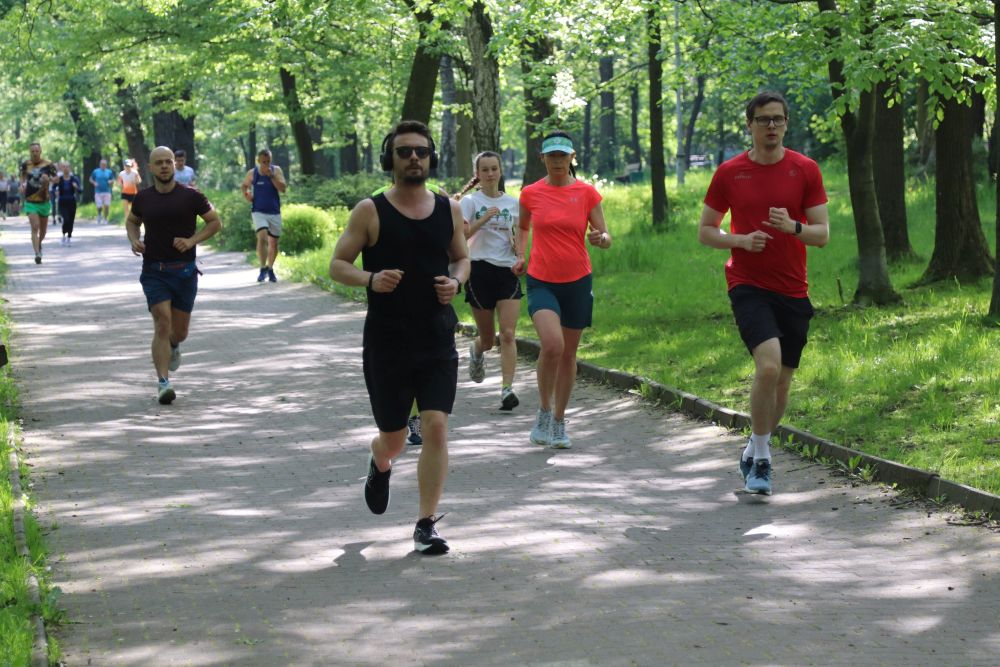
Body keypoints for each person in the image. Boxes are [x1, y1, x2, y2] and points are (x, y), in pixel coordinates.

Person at [329, 120, 469, 555]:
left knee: (436, 427)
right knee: (393, 437)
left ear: (431, 158)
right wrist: (370, 278)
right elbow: (337, 264)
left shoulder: (449, 209)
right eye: (405, 151)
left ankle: (425, 524)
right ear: (390, 158)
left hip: (436, 339)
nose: (414, 158)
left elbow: (462, 259)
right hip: (388, 342)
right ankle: (380, 459)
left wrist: (457, 283)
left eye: (422, 152)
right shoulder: (370, 211)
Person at [697, 90, 829, 496]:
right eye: (763, 119)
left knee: (783, 382)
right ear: (750, 125)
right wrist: (738, 241)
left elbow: (822, 235)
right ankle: (762, 459)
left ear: (786, 124)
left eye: (778, 119)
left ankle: (756, 446)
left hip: (793, 288)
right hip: (748, 284)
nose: (771, 126)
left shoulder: (805, 169)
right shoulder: (730, 173)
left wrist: (792, 227)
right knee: (768, 368)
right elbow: (706, 231)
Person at [515, 131, 612, 449]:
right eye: (551, 155)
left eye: (563, 155)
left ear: (572, 157)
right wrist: (519, 254)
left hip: (577, 280)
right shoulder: (530, 193)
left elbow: (604, 233)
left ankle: (559, 419)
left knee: (569, 354)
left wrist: (602, 239)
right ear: (542, 158)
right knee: (552, 345)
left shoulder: (586, 193)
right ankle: (543, 411)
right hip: (541, 279)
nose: (557, 161)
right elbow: (524, 226)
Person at [126, 146, 222, 405]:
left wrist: (192, 241)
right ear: (150, 167)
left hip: (185, 273)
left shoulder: (191, 196)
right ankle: (163, 383)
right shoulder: (143, 198)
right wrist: (134, 240)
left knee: (178, 333)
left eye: (168, 161)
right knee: (162, 322)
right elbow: (132, 221)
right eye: (159, 163)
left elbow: (215, 222)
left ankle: (174, 346)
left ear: (175, 165)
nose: (165, 166)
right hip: (154, 271)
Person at [457, 151, 523, 411]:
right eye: (485, 169)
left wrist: (520, 255)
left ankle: (507, 389)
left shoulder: (512, 203)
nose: (490, 174)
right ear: (478, 174)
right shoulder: (470, 202)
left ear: (501, 171)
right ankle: (476, 351)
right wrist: (484, 219)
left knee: (507, 334)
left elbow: (520, 235)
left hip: (506, 271)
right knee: (487, 339)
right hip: (479, 270)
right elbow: (462, 236)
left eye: (494, 168)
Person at [241, 149, 287, 283]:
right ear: (258, 161)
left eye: (268, 161)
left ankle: (270, 268)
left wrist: (272, 176)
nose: (266, 164)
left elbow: (283, 189)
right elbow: (244, 186)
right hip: (258, 211)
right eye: (263, 162)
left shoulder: (276, 170)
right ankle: (262, 268)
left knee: (274, 243)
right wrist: (247, 195)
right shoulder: (252, 173)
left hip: (274, 211)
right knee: (262, 237)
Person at [20, 142, 58, 264]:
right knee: (35, 226)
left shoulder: (48, 164)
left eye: (37, 151)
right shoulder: (25, 165)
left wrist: (49, 179)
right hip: (30, 201)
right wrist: (22, 185)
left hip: (44, 201)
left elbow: (57, 179)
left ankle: (39, 244)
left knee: (43, 231)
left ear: (40, 151)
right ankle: (37, 253)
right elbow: (22, 178)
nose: (35, 153)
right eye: (33, 151)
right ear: (30, 152)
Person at [54, 162, 81, 245]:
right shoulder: (59, 179)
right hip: (62, 202)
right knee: (66, 219)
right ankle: (63, 235)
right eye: (64, 167)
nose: (66, 168)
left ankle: (69, 237)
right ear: (62, 169)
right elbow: (53, 188)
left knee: (71, 220)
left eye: (67, 167)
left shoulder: (74, 179)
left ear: (70, 168)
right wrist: (55, 192)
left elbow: (80, 190)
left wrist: (76, 187)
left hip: (72, 202)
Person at [90, 158, 115, 224]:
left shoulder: (109, 172)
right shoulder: (95, 171)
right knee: (99, 206)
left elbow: (113, 179)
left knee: (107, 206)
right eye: (102, 164)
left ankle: (105, 218)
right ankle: (99, 215)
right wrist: (94, 183)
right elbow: (91, 179)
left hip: (107, 191)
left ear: (106, 165)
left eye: (104, 164)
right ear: (100, 164)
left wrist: (110, 181)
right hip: (98, 191)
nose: (103, 165)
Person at [118, 159, 142, 223]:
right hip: (124, 193)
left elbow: (139, 180)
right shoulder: (121, 174)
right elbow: (119, 183)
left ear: (131, 166)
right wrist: (121, 185)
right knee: (126, 209)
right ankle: (127, 222)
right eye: (126, 166)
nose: (128, 167)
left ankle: (133, 221)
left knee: (133, 209)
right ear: (124, 166)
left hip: (133, 193)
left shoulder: (135, 173)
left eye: (129, 166)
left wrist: (135, 181)